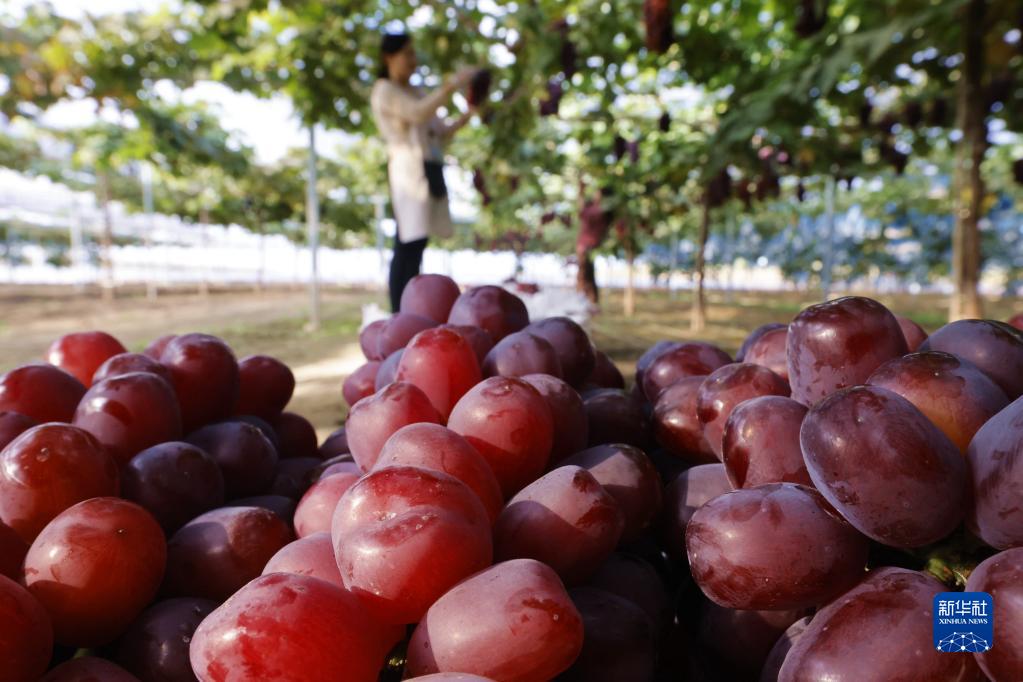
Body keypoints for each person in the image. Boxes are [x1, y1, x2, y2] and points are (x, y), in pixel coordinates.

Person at [371, 32, 478, 312]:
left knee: (417, 242)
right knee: (408, 241)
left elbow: (440, 131)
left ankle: (411, 308)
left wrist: (469, 113)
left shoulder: (416, 91)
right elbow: (418, 113)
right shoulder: (385, 89)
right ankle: (399, 311)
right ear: (388, 57)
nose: (412, 60)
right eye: (407, 54)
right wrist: (452, 85)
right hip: (409, 171)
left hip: (429, 168)